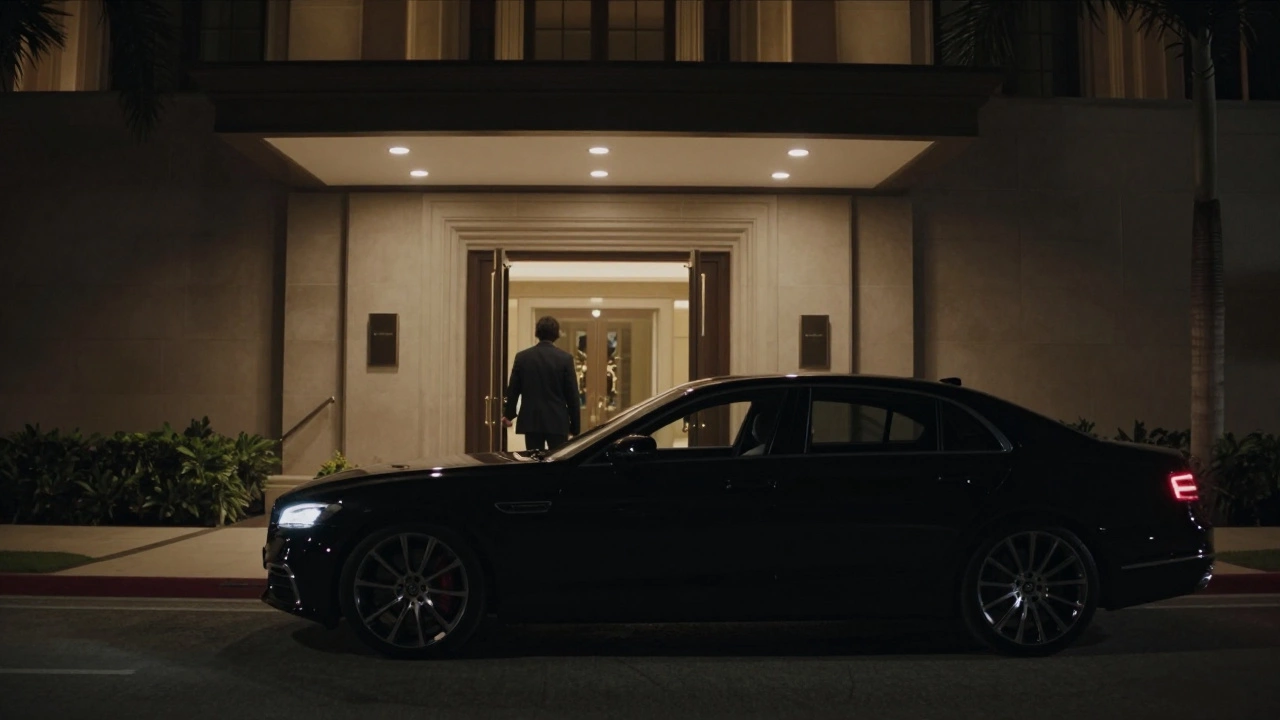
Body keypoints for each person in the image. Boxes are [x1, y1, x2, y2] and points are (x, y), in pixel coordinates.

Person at [500, 315, 581, 451]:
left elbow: (513, 389)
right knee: (558, 460)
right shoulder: (565, 359)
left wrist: (508, 414)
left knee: (534, 459)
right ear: (556, 334)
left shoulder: (523, 357)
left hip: (532, 419)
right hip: (557, 420)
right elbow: (572, 394)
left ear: (537, 333)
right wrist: (575, 426)